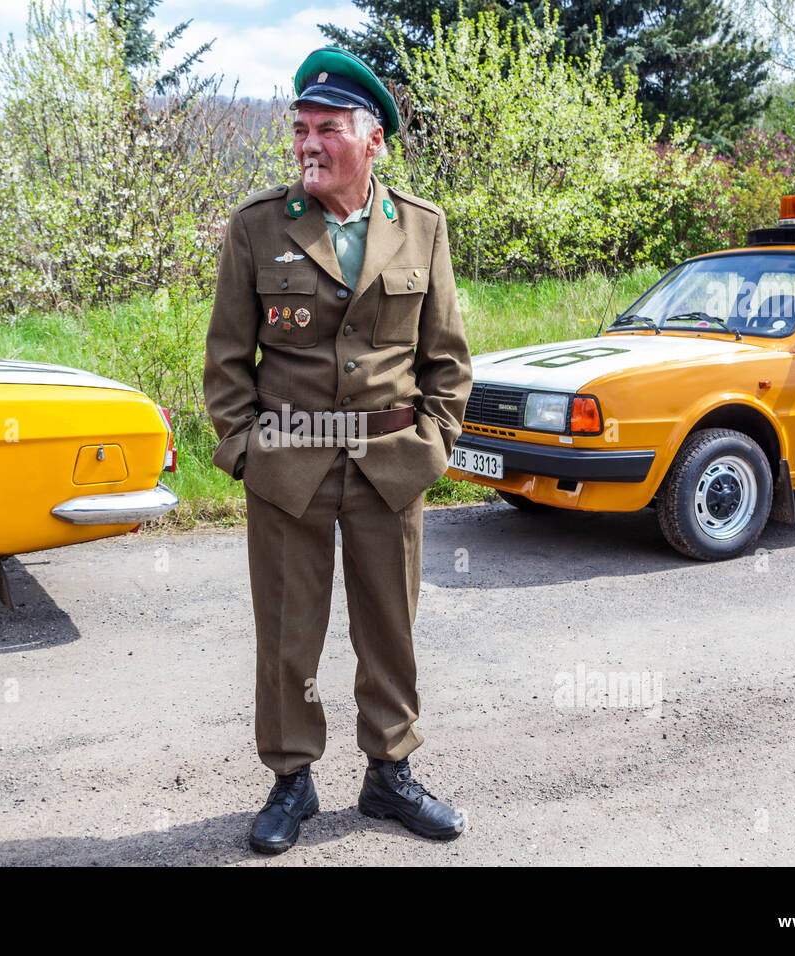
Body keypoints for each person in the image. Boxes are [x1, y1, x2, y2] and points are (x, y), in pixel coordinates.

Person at [203, 46, 473, 854]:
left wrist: (434, 445)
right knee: (289, 631)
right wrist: (248, 452)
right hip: (289, 466)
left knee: (389, 627)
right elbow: (225, 363)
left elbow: (448, 359)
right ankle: (292, 780)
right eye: (300, 130)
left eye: (326, 130)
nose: (307, 145)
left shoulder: (420, 227)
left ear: (373, 140)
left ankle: (389, 774)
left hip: (392, 468)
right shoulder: (259, 227)